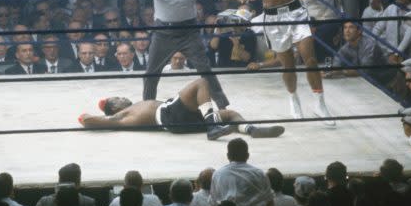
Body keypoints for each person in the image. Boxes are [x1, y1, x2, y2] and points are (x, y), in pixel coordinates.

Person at [123, 0, 255, 109]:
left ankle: (222, 106)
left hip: (188, 31)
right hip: (163, 31)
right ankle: (146, 107)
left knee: (205, 69)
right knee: (151, 72)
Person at [78, 77, 285, 141]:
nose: (123, 97)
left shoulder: (130, 110)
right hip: (169, 114)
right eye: (117, 98)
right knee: (201, 83)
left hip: (179, 122)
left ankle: (251, 130)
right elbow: (92, 120)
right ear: (114, 108)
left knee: (230, 114)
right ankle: (212, 126)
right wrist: (86, 117)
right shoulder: (123, 115)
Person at [209, 138, 273, 206]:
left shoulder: (218, 174)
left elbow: (214, 205)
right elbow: (270, 205)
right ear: (247, 155)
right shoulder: (259, 174)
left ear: (228, 156)